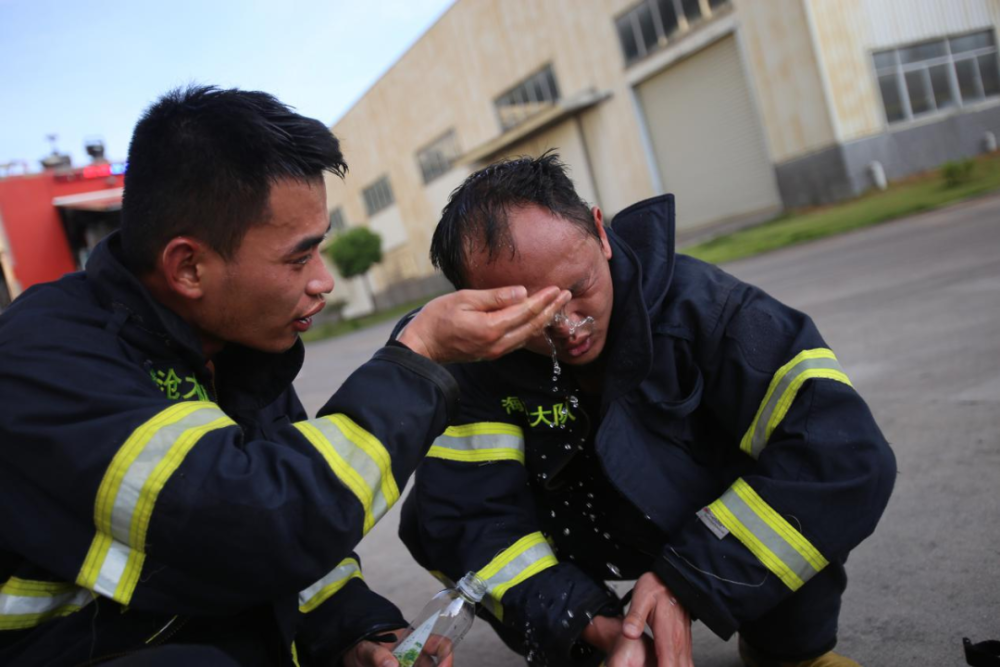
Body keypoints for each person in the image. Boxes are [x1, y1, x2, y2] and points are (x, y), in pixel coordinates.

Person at [0, 87, 571, 667]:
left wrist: (358, 634)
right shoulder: (47, 362)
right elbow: (259, 527)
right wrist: (420, 355)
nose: (323, 280)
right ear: (188, 266)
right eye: (298, 259)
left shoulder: (233, 351)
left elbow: (301, 558)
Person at [397, 154, 897, 667]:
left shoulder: (715, 311)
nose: (569, 328)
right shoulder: (471, 365)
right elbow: (467, 517)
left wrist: (688, 581)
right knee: (433, 516)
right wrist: (592, 627)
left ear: (600, 231)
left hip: (711, 524)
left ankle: (789, 650)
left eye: (578, 289)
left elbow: (845, 456)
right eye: (533, 315)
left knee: (795, 504)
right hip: (585, 532)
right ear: (474, 302)